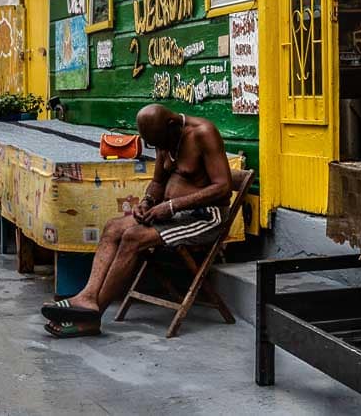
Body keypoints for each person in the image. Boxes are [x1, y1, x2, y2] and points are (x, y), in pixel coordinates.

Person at [41, 104, 234, 337]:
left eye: (159, 143)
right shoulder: (165, 138)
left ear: (172, 125)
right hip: (172, 214)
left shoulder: (203, 133)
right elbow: (158, 183)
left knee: (133, 237)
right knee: (113, 227)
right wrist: (147, 202)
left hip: (205, 217)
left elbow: (223, 187)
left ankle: (91, 319)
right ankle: (88, 298)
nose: (158, 149)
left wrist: (172, 205)